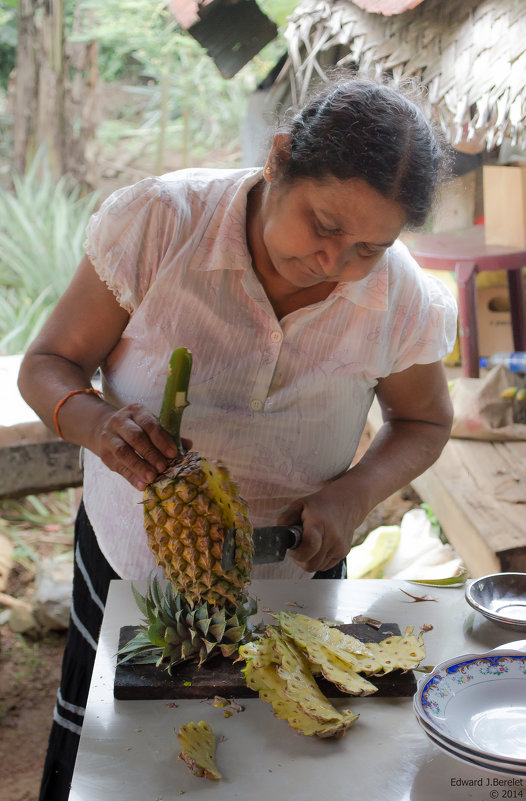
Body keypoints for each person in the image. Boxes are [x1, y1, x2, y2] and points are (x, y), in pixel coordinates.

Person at [18, 75, 457, 800]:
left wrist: (353, 492)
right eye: (323, 225)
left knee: (285, 767)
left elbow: (424, 420)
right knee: (124, 770)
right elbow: (46, 365)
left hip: (295, 580)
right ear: (279, 159)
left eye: (368, 248)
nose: (336, 265)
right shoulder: (161, 224)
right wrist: (97, 422)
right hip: (135, 577)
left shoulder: (398, 296)